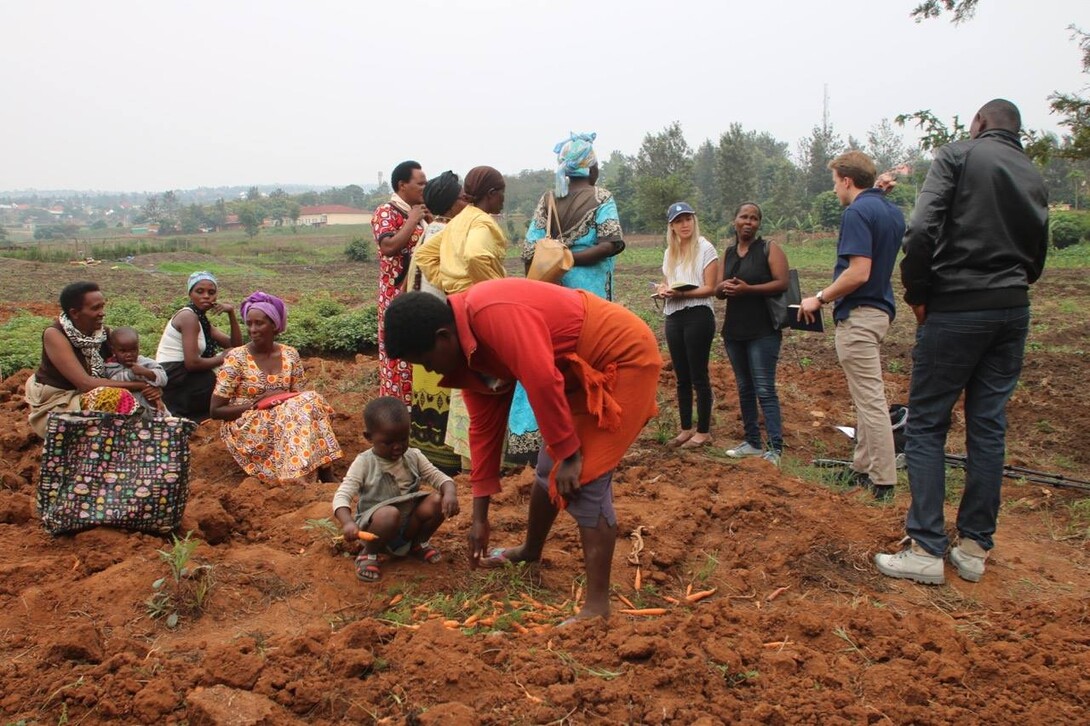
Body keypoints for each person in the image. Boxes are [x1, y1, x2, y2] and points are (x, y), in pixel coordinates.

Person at [384, 278, 662, 621]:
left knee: (585, 479)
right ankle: (530, 551)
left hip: (621, 357)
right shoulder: (468, 355)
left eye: (425, 361)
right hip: (575, 369)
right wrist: (479, 519)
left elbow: (542, 379)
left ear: (443, 337)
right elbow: (484, 431)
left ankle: (596, 608)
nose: (430, 371)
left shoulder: (491, 313)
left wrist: (571, 454)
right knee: (548, 467)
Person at [875, 99, 1048, 585]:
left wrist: (920, 292)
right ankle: (973, 547)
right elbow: (1038, 248)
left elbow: (923, 230)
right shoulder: (1032, 173)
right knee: (988, 425)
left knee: (928, 423)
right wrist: (1014, 283)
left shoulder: (959, 155)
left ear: (979, 124)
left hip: (957, 305)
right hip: (1012, 309)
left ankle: (927, 548)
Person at [509, 132, 627, 464]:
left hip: (548, 297)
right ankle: (587, 436)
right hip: (589, 303)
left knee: (543, 362)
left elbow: (530, 252)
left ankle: (529, 441)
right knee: (589, 364)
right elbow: (612, 242)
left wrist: (558, 258)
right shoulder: (602, 198)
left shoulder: (547, 201)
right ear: (592, 169)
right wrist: (574, 257)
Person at [798, 151, 905, 501]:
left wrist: (820, 298)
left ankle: (883, 480)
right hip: (879, 311)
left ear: (846, 180)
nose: (834, 189)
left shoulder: (857, 211)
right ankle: (861, 469)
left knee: (872, 400)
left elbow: (859, 271)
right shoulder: (889, 209)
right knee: (864, 398)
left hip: (859, 313)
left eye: (834, 182)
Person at [413, 166, 510, 465]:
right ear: (491, 194)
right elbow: (476, 256)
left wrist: (450, 283)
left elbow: (424, 256)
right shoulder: (481, 222)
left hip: (460, 306)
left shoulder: (459, 221)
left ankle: (471, 460)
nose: (503, 201)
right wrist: (494, 290)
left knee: (469, 385)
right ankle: (488, 457)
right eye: (502, 194)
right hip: (480, 308)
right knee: (492, 380)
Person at [209, 291, 343, 483]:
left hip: (288, 418)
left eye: (259, 323)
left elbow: (299, 396)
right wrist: (257, 403)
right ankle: (311, 475)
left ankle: (309, 474)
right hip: (248, 424)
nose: (253, 329)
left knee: (310, 401)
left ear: (275, 325)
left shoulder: (290, 355)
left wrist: (281, 399)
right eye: (249, 324)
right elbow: (215, 410)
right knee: (303, 405)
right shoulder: (236, 358)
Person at [332, 396, 460, 582]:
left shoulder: (413, 456)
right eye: (388, 442)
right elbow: (342, 496)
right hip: (376, 529)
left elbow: (439, 477)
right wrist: (348, 523)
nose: (398, 446)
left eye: (403, 438)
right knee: (389, 514)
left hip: (409, 525)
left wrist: (450, 493)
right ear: (369, 437)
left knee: (438, 501)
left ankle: (417, 544)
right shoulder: (365, 462)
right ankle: (369, 554)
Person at [25, 281, 160, 437]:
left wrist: (150, 384)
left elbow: (124, 368)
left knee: (143, 397)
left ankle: (130, 441)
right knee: (112, 397)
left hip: (87, 395)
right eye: (96, 308)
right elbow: (85, 383)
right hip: (59, 401)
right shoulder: (55, 335)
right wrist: (140, 385)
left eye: (102, 306)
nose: (102, 313)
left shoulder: (102, 335)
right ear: (75, 313)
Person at [405, 170, 469, 475]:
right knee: (444, 397)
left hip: (422, 330)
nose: (465, 202)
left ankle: (429, 462)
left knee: (426, 399)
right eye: (461, 197)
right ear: (451, 202)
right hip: (439, 334)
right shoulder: (450, 235)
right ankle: (447, 463)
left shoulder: (428, 232)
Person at [715, 202, 789, 464]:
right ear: (734, 221)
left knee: (764, 388)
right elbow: (717, 291)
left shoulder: (769, 249)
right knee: (745, 388)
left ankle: (775, 448)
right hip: (734, 331)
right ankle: (752, 442)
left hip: (763, 331)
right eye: (744, 217)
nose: (749, 222)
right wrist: (723, 287)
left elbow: (782, 283)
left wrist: (749, 289)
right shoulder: (728, 253)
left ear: (759, 224)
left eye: (754, 218)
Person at [656, 202, 719, 449]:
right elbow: (667, 281)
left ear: (694, 221)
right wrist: (663, 290)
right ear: (671, 226)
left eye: (688, 219)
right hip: (674, 315)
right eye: (679, 221)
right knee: (681, 376)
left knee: (698, 375)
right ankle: (685, 429)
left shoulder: (705, 248)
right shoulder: (669, 253)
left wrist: (683, 294)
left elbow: (710, 287)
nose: (684, 225)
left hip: (698, 314)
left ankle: (703, 431)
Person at [373, 160, 430, 405]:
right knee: (398, 356)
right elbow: (388, 247)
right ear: (402, 185)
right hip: (395, 298)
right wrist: (412, 220)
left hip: (418, 297)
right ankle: (397, 411)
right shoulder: (386, 212)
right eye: (420, 183)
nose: (424, 187)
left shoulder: (421, 213)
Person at [155, 271, 242, 422]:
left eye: (211, 292)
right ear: (190, 294)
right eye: (199, 291)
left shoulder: (201, 320)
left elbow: (236, 346)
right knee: (221, 384)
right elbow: (192, 363)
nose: (206, 296)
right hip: (175, 377)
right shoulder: (188, 317)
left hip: (184, 376)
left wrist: (231, 313)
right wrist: (222, 357)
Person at [106, 327, 168, 417]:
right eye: (123, 351)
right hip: (128, 411)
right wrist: (132, 375)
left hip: (154, 408)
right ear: (113, 350)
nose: (129, 354)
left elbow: (163, 378)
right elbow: (114, 382)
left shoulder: (145, 363)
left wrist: (146, 372)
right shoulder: (111, 367)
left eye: (133, 350)